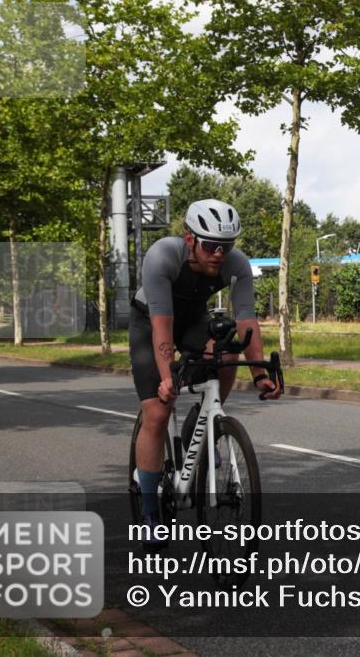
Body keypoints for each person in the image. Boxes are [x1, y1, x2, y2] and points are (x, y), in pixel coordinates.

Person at [129, 199, 281, 545]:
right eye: (211, 245)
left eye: (226, 246)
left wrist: (260, 374)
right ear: (189, 240)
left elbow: (246, 322)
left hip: (193, 321)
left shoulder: (236, 264)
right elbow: (162, 326)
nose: (219, 254)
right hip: (151, 322)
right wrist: (168, 377)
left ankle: (206, 419)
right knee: (157, 410)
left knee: (226, 351)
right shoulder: (162, 256)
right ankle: (151, 513)